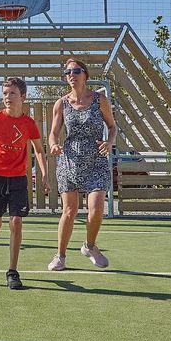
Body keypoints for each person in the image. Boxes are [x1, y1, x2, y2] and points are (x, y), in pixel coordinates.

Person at [0, 77, 49, 290]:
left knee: (16, 221)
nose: (7, 97)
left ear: (23, 97)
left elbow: (39, 150)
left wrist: (44, 175)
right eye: (5, 93)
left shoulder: (29, 123)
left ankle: (12, 271)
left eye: (12, 93)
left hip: (17, 179)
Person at [47, 59, 116, 271]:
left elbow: (112, 127)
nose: (71, 74)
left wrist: (109, 142)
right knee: (69, 210)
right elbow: (53, 133)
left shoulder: (99, 100)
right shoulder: (61, 103)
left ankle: (90, 246)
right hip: (69, 162)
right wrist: (53, 145)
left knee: (96, 210)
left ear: (85, 74)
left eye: (76, 71)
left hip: (96, 161)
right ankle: (60, 256)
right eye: (67, 71)